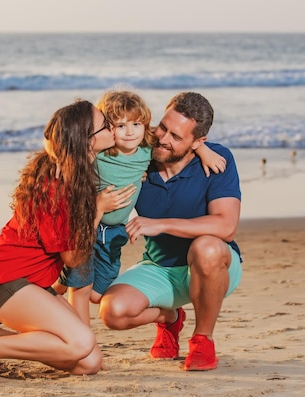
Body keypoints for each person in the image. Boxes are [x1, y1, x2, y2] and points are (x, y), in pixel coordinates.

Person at [0, 99, 135, 380]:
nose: (112, 127)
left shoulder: (74, 170)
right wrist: (98, 209)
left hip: (32, 284)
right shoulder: (56, 185)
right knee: (80, 343)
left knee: (89, 362)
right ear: (86, 140)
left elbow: (143, 143)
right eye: (105, 124)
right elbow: (74, 259)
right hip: (7, 281)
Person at [53, 90, 227, 326]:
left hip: (114, 235)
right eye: (120, 125)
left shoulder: (147, 149)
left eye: (136, 124)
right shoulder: (106, 150)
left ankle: (181, 324)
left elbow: (177, 135)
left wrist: (202, 150)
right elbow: (70, 143)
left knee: (95, 294)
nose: (130, 131)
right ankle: (80, 340)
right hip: (89, 225)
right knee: (81, 290)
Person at [98, 92, 242, 371]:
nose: (163, 139)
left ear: (198, 142)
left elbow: (226, 225)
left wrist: (161, 224)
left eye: (176, 137)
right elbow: (105, 128)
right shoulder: (139, 155)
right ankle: (169, 318)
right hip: (159, 267)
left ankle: (203, 340)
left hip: (214, 266)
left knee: (207, 246)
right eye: (162, 127)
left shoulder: (217, 159)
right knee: (112, 313)